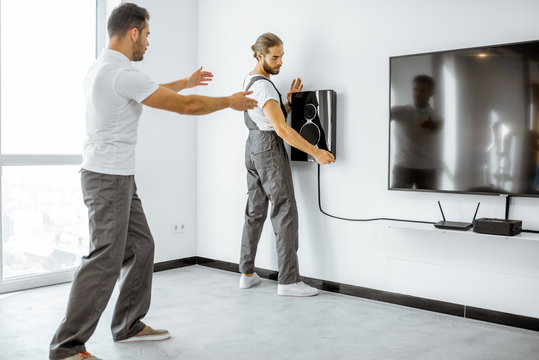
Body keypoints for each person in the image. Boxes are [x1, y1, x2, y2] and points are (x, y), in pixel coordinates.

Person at [49, 4, 257, 360]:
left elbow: (150, 89)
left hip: (115, 177)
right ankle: (67, 346)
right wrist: (229, 101)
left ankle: (128, 325)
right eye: (146, 34)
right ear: (133, 32)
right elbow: (184, 107)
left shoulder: (105, 69)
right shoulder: (120, 74)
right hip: (107, 179)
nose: (148, 41)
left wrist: (185, 82)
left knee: (141, 247)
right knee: (104, 260)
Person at [239, 33, 335, 297]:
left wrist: (289, 104)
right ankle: (289, 282)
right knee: (285, 211)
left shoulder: (249, 80)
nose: (280, 62)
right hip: (268, 148)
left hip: (253, 145)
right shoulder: (265, 87)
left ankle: (247, 274)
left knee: (255, 210)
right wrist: (316, 151)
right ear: (260, 55)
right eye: (275, 57)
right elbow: (280, 129)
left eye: (282, 56)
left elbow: (267, 117)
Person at [391, 74, 443, 190]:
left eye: (422, 90)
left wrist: (432, 125)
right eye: (415, 89)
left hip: (427, 168)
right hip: (402, 167)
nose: (417, 94)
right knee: (399, 203)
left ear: (431, 93)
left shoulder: (436, 116)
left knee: (428, 204)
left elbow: (437, 127)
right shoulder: (399, 111)